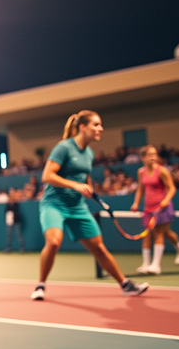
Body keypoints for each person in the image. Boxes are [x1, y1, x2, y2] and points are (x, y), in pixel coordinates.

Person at [30, 111, 149, 301]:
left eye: (100, 125)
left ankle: (125, 285)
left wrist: (91, 192)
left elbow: (85, 178)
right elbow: (47, 176)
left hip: (77, 206)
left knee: (99, 248)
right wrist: (75, 185)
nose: (100, 128)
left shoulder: (89, 153)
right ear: (83, 127)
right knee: (53, 242)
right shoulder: (64, 148)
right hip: (54, 204)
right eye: (96, 124)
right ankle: (40, 285)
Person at [131, 145, 179, 275]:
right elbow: (140, 188)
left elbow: (172, 188)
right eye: (150, 155)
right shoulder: (141, 172)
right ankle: (147, 263)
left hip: (162, 207)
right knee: (152, 234)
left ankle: (155, 266)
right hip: (148, 208)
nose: (153, 157)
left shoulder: (162, 171)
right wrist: (136, 203)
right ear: (143, 158)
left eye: (155, 154)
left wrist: (166, 200)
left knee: (158, 233)